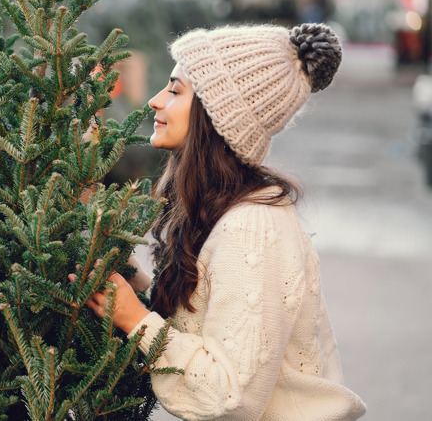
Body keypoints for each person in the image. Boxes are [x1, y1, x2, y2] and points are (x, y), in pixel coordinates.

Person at [80, 23, 367, 420]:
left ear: (216, 117)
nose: (154, 101)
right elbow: (205, 325)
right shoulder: (220, 210)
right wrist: (134, 281)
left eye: (175, 90)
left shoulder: (252, 229)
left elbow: (230, 397)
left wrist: (134, 318)